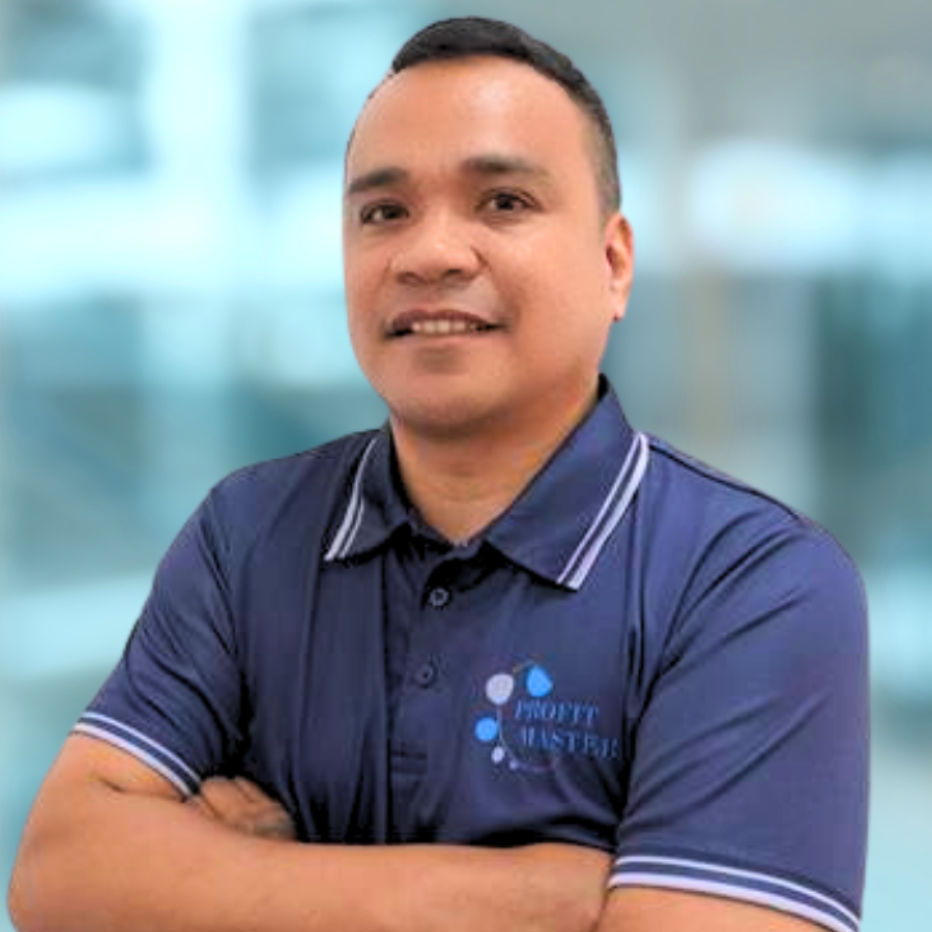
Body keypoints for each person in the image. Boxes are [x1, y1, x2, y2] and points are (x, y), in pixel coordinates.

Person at [8, 16, 868, 932]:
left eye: (502, 202)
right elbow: (59, 873)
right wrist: (522, 901)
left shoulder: (753, 584)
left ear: (614, 263)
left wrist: (233, 880)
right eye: (384, 213)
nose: (429, 254)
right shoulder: (249, 533)